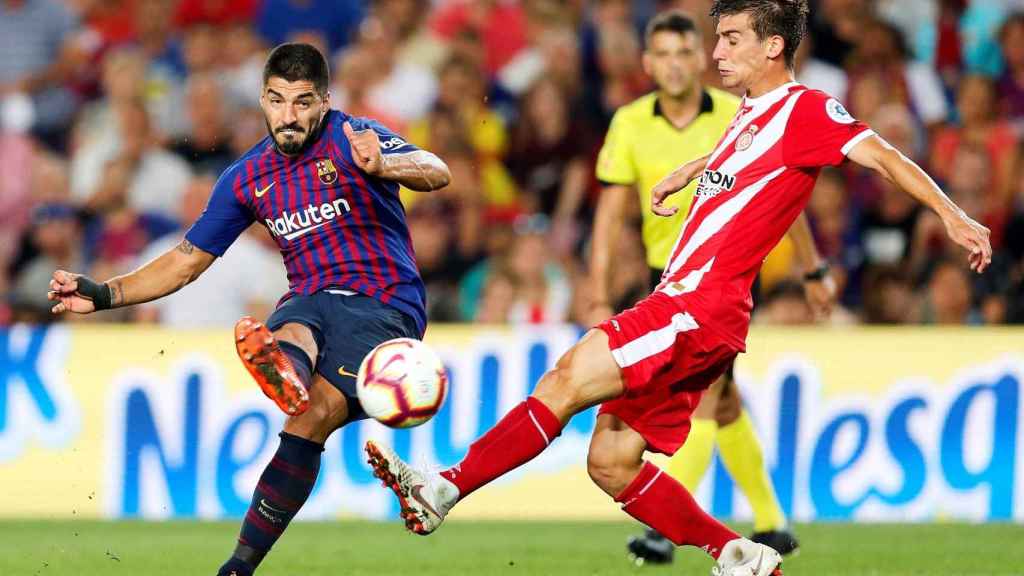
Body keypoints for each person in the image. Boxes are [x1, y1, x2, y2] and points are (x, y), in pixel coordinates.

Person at [364, 1, 992, 575]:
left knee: (565, 379)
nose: (716, 52)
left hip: (695, 305)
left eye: (730, 39)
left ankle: (442, 487)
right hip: (696, 310)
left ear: (773, 47)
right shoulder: (752, 111)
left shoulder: (807, 108)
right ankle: (738, 553)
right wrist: (689, 172)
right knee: (610, 462)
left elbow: (883, 155)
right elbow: (743, 159)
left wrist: (952, 215)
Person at [46, 43, 451, 576]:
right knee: (300, 370)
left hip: (383, 305)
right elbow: (184, 262)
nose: (290, 115)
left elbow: (435, 169)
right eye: (279, 100)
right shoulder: (247, 176)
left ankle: (289, 373)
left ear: (325, 101)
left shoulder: (354, 137)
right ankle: (239, 561)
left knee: (309, 410)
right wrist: (103, 293)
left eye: (304, 102)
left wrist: (387, 163)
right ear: (262, 97)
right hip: (310, 298)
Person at [588, 10, 824, 563]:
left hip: (725, 281)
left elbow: (786, 194)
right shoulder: (629, 123)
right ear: (647, 64)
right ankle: (771, 522)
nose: (675, 65)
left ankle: (664, 533)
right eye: (663, 54)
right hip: (662, 280)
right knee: (722, 404)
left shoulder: (740, 110)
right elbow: (609, 215)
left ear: (702, 58)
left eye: (685, 52)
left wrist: (811, 269)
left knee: (709, 398)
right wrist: (598, 287)